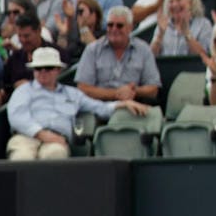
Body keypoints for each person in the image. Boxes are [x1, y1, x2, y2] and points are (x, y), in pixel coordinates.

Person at [8, 46, 152, 160]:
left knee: (55, 155)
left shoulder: (72, 93)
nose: (43, 72)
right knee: (22, 157)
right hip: (26, 137)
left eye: (48, 68)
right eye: (38, 68)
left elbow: (99, 107)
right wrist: (40, 133)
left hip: (57, 140)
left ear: (58, 70)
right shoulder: (24, 91)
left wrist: (125, 103)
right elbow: (17, 117)